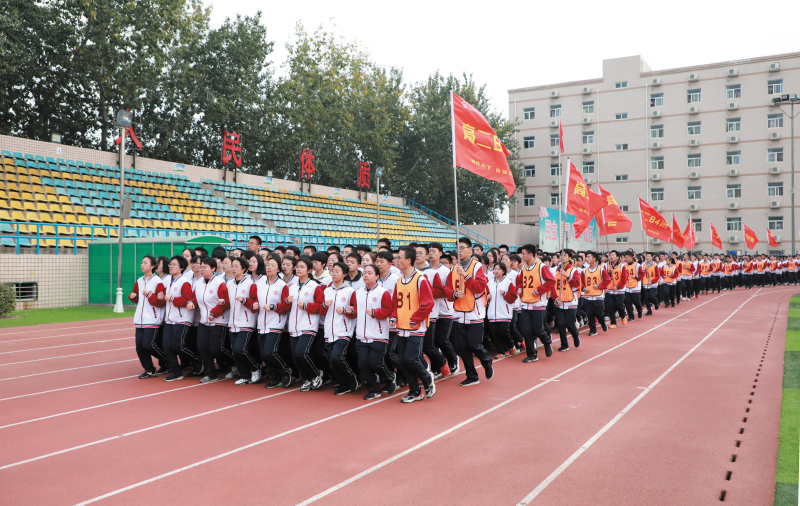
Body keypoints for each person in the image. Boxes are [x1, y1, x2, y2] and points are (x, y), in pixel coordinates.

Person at [444, 237, 494, 386]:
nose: (459, 251)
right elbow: (447, 289)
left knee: (474, 344)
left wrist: (465, 275)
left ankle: (486, 360)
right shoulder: (453, 268)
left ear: (469, 250)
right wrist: (454, 294)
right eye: (457, 248)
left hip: (474, 312)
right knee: (461, 347)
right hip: (459, 312)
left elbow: (479, 287)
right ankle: (472, 375)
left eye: (462, 248)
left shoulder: (476, 266)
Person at [391, 246, 436, 403]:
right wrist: (394, 316)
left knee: (411, 359)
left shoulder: (420, 279)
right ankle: (415, 391)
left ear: (408, 260)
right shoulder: (399, 280)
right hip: (401, 326)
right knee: (403, 361)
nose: (396, 260)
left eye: (399, 258)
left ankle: (427, 378)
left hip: (415, 326)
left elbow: (428, 303)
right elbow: (396, 303)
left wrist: (415, 318)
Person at [353, 264, 396, 400]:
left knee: (375, 363)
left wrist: (375, 312)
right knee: (363, 364)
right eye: (364, 273)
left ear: (377, 276)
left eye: (369, 273)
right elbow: (355, 310)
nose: (365, 275)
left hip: (378, 335)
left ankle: (390, 377)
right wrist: (350, 311)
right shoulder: (358, 292)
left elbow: (388, 310)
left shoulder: (382, 292)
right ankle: (374, 390)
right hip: (361, 335)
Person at [288, 256, 326, 392]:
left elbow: (321, 306)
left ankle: (315, 374)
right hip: (294, 326)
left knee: (301, 353)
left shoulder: (315, 286)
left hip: (308, 325)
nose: (298, 269)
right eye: (297, 267)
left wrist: (306, 306)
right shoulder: (292, 286)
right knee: (295, 355)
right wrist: (287, 301)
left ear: (310, 270)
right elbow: (287, 307)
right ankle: (307, 379)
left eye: (302, 267)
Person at [321, 262, 358, 395]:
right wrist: (324, 305)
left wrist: (345, 310)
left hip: (344, 331)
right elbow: (321, 312)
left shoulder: (350, 291)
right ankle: (343, 384)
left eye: (337, 271)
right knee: (332, 361)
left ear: (344, 274)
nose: (334, 273)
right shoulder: (327, 290)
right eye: (333, 271)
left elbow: (355, 311)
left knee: (337, 357)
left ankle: (351, 377)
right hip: (329, 332)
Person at [194, 257, 232, 383]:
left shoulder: (219, 283)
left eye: (205, 267)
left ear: (213, 268)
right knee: (202, 347)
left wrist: (214, 313)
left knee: (216, 349)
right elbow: (194, 298)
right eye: (201, 267)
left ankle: (235, 362)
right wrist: (190, 302)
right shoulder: (198, 283)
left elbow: (226, 303)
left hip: (218, 321)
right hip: (204, 321)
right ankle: (211, 374)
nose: (202, 270)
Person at [159, 255, 197, 382]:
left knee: (177, 346)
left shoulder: (184, 282)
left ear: (181, 267)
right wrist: (161, 297)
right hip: (170, 319)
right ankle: (176, 372)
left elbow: (188, 300)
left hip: (182, 319)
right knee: (166, 346)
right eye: (170, 264)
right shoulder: (169, 281)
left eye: (174, 264)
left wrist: (172, 299)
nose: (170, 266)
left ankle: (197, 359)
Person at [256, 257, 292, 389]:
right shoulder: (260, 284)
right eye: (268, 265)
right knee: (263, 355)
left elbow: (286, 307)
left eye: (273, 265)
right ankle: (274, 377)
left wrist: (273, 307)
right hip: (261, 324)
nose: (269, 267)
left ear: (278, 269)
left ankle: (285, 372)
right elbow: (255, 301)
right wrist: (254, 305)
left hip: (275, 323)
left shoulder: (282, 285)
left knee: (269, 352)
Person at [515, 244, 555, 362]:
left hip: (538, 303)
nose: (522, 256)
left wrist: (538, 290)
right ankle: (532, 354)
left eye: (523, 254)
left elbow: (551, 281)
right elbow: (521, 281)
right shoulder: (524, 268)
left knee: (538, 329)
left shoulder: (541, 267)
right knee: (526, 331)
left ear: (530, 254)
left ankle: (547, 342)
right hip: (525, 303)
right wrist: (519, 288)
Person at [129, 255, 168, 378]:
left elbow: (161, 302)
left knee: (148, 345)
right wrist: (133, 297)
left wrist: (149, 295)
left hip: (152, 319)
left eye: (145, 263)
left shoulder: (158, 282)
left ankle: (167, 359)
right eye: (142, 262)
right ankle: (149, 370)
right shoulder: (139, 281)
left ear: (152, 266)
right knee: (139, 348)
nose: (142, 265)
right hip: (139, 320)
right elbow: (136, 298)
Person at [414, 243, 449, 378]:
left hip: (430, 314)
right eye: (415, 253)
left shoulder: (432, 273)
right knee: (416, 348)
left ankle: (442, 362)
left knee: (428, 346)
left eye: (420, 253)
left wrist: (427, 290)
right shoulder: (410, 273)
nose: (417, 255)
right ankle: (424, 370)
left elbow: (441, 292)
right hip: (413, 314)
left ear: (427, 256)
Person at [227, 257, 260, 385]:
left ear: (244, 269)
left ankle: (255, 368)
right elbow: (227, 302)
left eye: (236, 266)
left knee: (240, 349)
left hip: (246, 322)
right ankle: (244, 375)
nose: (233, 268)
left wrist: (244, 300)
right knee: (235, 352)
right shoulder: (229, 283)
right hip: (233, 322)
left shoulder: (250, 284)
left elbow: (255, 303)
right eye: (232, 266)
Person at [428, 242, 459, 375]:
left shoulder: (446, 272)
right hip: (430, 312)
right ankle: (436, 368)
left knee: (442, 341)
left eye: (433, 251)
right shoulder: (424, 270)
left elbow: (450, 290)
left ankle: (453, 360)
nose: (431, 253)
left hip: (444, 311)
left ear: (440, 253)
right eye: (429, 251)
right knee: (431, 344)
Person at [552, 250, 581, 352]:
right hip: (559, 302)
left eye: (565, 255)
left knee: (570, 324)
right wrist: (555, 298)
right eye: (561, 255)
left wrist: (567, 276)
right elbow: (552, 286)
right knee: (561, 324)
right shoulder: (555, 270)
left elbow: (576, 284)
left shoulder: (573, 270)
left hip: (570, 301)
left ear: (569, 258)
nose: (563, 257)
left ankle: (575, 335)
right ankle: (564, 344)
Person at [486, 261, 517, 358]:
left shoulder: (508, 283)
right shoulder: (489, 283)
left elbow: (513, 298)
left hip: (504, 313)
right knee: (495, 333)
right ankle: (500, 352)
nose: (496, 271)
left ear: (503, 271)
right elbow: (485, 297)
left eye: (499, 269)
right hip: (492, 313)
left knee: (504, 331)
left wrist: (505, 293)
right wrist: (487, 298)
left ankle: (511, 345)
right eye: (495, 269)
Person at [580, 251, 610, 336]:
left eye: (589, 257)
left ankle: (602, 322)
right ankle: (593, 330)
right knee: (590, 314)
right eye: (586, 257)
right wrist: (583, 288)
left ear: (594, 259)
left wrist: (599, 286)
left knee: (599, 313)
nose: (587, 258)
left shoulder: (601, 270)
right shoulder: (584, 270)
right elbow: (581, 282)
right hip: (588, 296)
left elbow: (608, 280)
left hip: (598, 296)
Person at [622, 251, 644, 321]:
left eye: (627, 257)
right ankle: (631, 316)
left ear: (631, 257)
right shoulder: (623, 265)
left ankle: (639, 311)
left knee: (636, 302)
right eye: (625, 257)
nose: (625, 259)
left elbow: (642, 274)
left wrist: (636, 277)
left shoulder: (637, 265)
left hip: (635, 286)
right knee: (627, 303)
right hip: (626, 287)